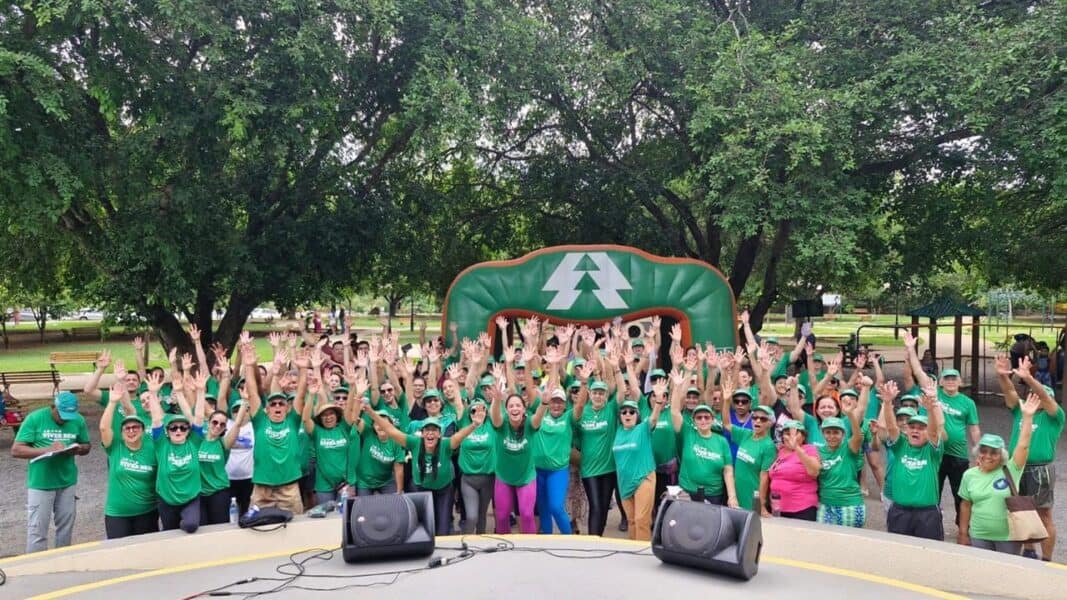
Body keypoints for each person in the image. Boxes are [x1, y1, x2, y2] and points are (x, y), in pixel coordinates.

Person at [366, 405, 479, 535]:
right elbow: (390, 430)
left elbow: (459, 436)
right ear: (422, 433)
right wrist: (371, 412)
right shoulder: (414, 442)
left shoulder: (446, 444)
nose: (430, 433)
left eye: (434, 430)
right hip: (422, 489)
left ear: (440, 434)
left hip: (443, 490)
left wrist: (474, 425)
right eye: (427, 430)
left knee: (442, 530)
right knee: (425, 529)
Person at [904, 330, 979, 524]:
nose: (951, 381)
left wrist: (977, 451)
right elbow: (919, 372)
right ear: (941, 381)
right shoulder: (934, 392)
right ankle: (931, 522)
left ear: (960, 381)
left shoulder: (967, 403)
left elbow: (974, 428)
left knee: (960, 494)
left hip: (958, 454)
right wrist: (911, 349)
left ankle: (963, 527)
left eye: (954, 378)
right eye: (947, 378)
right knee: (932, 490)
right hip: (934, 450)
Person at [996, 354, 1064, 560]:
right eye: (1032, 394)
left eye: (1041, 396)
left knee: (1044, 514)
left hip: (1040, 469)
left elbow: (1045, 396)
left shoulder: (1055, 417)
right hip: (1017, 466)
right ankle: (1029, 550)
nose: (1036, 397)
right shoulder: (1022, 411)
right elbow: (1009, 392)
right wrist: (1002, 376)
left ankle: (1047, 558)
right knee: (1020, 510)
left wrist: (1029, 378)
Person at [958, 393, 1041, 555]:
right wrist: (963, 533)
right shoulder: (969, 475)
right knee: (981, 574)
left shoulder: (1011, 469)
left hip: (1008, 537)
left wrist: (1027, 417)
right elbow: (965, 505)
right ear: (977, 452)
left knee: (1007, 575)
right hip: (979, 535)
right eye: (984, 450)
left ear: (1002, 455)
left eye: (994, 452)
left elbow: (1023, 445)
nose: (987, 456)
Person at [12, 391, 91, 553]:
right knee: (37, 531)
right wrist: (47, 450)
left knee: (65, 529)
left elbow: (86, 445)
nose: (64, 419)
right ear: (53, 406)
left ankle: (62, 562)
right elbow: (16, 450)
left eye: (69, 416)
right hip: (41, 483)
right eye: (61, 415)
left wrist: (78, 449)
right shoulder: (35, 418)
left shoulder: (78, 420)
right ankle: (36, 567)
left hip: (67, 481)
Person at [244, 334, 307, 514]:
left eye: (281, 403)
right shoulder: (260, 421)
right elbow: (252, 392)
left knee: (296, 528)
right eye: (273, 404)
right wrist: (249, 365)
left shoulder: (293, 421)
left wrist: (303, 370)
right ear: (267, 409)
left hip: (289, 488)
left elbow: (301, 394)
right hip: (262, 489)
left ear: (287, 408)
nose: (277, 406)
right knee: (257, 528)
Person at [879, 380, 947, 541]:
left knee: (929, 555)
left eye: (920, 428)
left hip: (927, 514)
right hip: (900, 511)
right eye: (912, 427)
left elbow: (934, 431)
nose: (915, 430)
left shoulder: (932, 451)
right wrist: (888, 402)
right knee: (899, 553)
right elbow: (891, 427)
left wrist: (931, 408)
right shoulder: (901, 445)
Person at [146, 368, 207, 534]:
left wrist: (200, 391)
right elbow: (156, 419)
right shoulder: (162, 444)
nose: (178, 431)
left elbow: (199, 416)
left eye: (182, 427)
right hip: (166, 499)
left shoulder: (193, 443)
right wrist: (153, 394)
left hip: (190, 498)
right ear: (168, 431)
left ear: (188, 431)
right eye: (173, 428)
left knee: (191, 525)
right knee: (169, 532)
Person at [99, 380, 158, 539]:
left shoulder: (152, 448)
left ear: (143, 430)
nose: (131, 431)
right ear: (122, 431)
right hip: (117, 514)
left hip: (147, 511)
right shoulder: (115, 447)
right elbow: (104, 428)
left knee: (146, 555)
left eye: (135, 427)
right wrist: (112, 402)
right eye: (127, 428)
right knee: (118, 554)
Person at [609, 382, 665, 541]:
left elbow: (654, 418)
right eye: (624, 412)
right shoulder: (618, 431)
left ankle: (642, 553)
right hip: (624, 482)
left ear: (637, 415)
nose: (628, 414)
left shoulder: (643, 429)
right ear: (620, 416)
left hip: (643, 478)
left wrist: (659, 400)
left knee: (642, 519)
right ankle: (632, 552)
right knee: (631, 520)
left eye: (632, 412)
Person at [671, 369, 736, 507]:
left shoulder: (721, 441)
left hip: (713, 495)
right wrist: (677, 387)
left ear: (713, 420)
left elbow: (728, 470)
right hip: (687, 492)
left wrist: (732, 497)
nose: (703, 420)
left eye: (707, 417)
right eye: (699, 417)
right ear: (694, 420)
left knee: (710, 528)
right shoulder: (687, 433)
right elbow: (675, 411)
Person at [814, 376, 871, 528]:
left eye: (836, 432)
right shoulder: (818, 451)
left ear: (843, 434)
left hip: (849, 505)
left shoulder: (849, 447)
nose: (832, 436)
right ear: (822, 432)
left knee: (848, 545)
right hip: (825, 504)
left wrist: (850, 414)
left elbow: (858, 436)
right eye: (828, 432)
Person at [490, 381, 540, 535]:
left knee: (526, 514)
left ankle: (530, 548)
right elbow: (495, 417)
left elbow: (538, 417)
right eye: (511, 406)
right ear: (507, 410)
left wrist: (544, 403)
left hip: (526, 477)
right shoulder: (502, 423)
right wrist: (497, 400)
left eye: (518, 405)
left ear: (524, 409)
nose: (514, 408)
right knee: (502, 516)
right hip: (504, 477)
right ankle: (504, 549)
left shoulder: (530, 423)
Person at [532, 387, 574, 534]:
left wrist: (583, 382)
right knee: (543, 508)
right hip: (538, 470)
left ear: (565, 404)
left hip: (558, 471)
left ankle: (569, 541)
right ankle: (548, 540)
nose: (556, 405)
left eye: (560, 402)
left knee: (556, 506)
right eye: (553, 402)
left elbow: (580, 406)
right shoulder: (541, 415)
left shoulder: (568, 417)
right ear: (548, 403)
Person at [199, 399, 248, 525]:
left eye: (222, 424)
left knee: (219, 527)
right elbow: (193, 415)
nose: (217, 426)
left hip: (218, 491)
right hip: (198, 493)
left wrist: (245, 401)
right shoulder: (197, 440)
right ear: (208, 422)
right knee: (201, 528)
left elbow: (237, 424)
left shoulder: (223, 443)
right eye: (215, 422)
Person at [768, 419, 821, 521]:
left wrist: (796, 447)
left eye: (795, 434)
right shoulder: (781, 451)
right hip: (778, 508)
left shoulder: (809, 449)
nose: (791, 437)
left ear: (804, 436)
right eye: (787, 434)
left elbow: (814, 471)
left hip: (802, 508)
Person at [458, 399, 496, 534]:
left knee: (482, 516)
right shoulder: (464, 424)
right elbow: (458, 401)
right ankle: (466, 542)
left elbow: (497, 407)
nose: (478, 413)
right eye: (474, 410)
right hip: (468, 480)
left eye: (482, 410)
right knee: (471, 516)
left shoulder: (492, 425)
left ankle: (480, 546)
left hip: (488, 479)